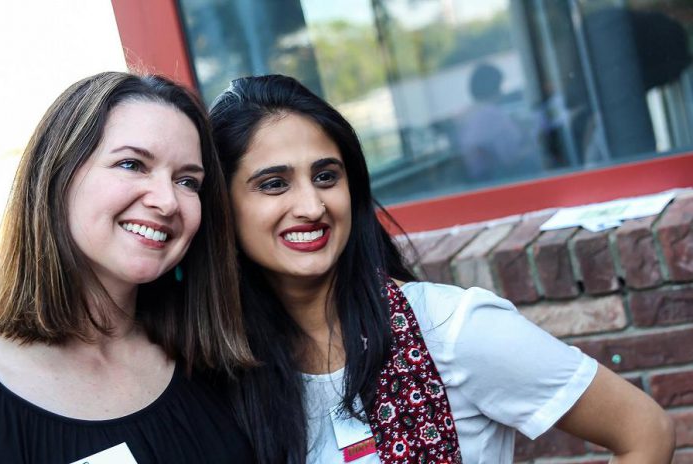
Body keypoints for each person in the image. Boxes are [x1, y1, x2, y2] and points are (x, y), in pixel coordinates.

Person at [210, 74, 675, 464]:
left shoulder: (452, 329)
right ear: (223, 208)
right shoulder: (222, 368)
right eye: (274, 184)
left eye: (326, 176)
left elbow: (645, 430)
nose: (311, 205)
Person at [0, 72, 255, 463]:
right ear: (56, 176)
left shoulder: (215, 356)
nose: (167, 201)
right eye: (132, 164)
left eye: (188, 181)